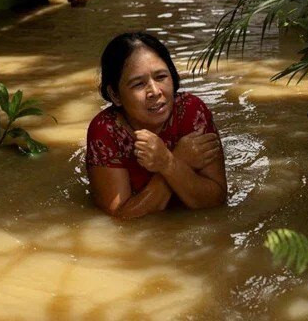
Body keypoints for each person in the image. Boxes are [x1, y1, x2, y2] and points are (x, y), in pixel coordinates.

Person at [86, 32, 227, 218]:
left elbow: (217, 201)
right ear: (115, 95)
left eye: (161, 77)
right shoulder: (105, 131)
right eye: (138, 84)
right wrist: (171, 162)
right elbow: (123, 219)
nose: (155, 91)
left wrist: (168, 163)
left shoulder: (192, 113)